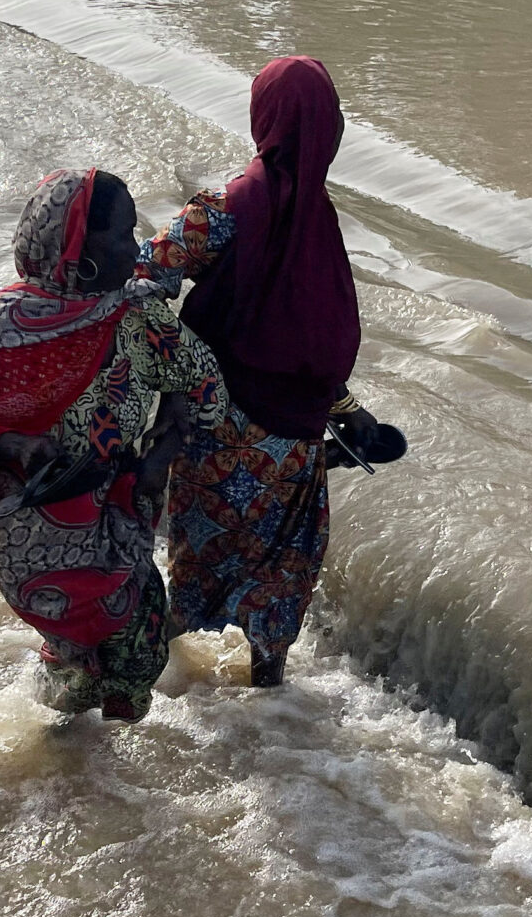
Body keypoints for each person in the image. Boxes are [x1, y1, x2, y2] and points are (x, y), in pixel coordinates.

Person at [0, 169, 223, 722]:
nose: (136, 246)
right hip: (31, 532)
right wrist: (16, 447)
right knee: (89, 650)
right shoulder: (5, 328)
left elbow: (199, 382)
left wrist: (159, 459)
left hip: (119, 506)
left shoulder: (137, 315)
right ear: (77, 247)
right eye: (120, 234)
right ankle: (80, 773)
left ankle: (86, 762)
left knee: (136, 650)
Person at [140, 56, 380, 688]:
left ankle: (135, 679)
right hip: (292, 445)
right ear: (328, 132)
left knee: (196, 567)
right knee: (280, 572)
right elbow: (318, 342)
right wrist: (347, 413)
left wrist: (177, 365)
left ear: (263, 121)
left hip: (214, 432)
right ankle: (269, 697)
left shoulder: (220, 212)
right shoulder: (320, 226)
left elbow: (143, 276)